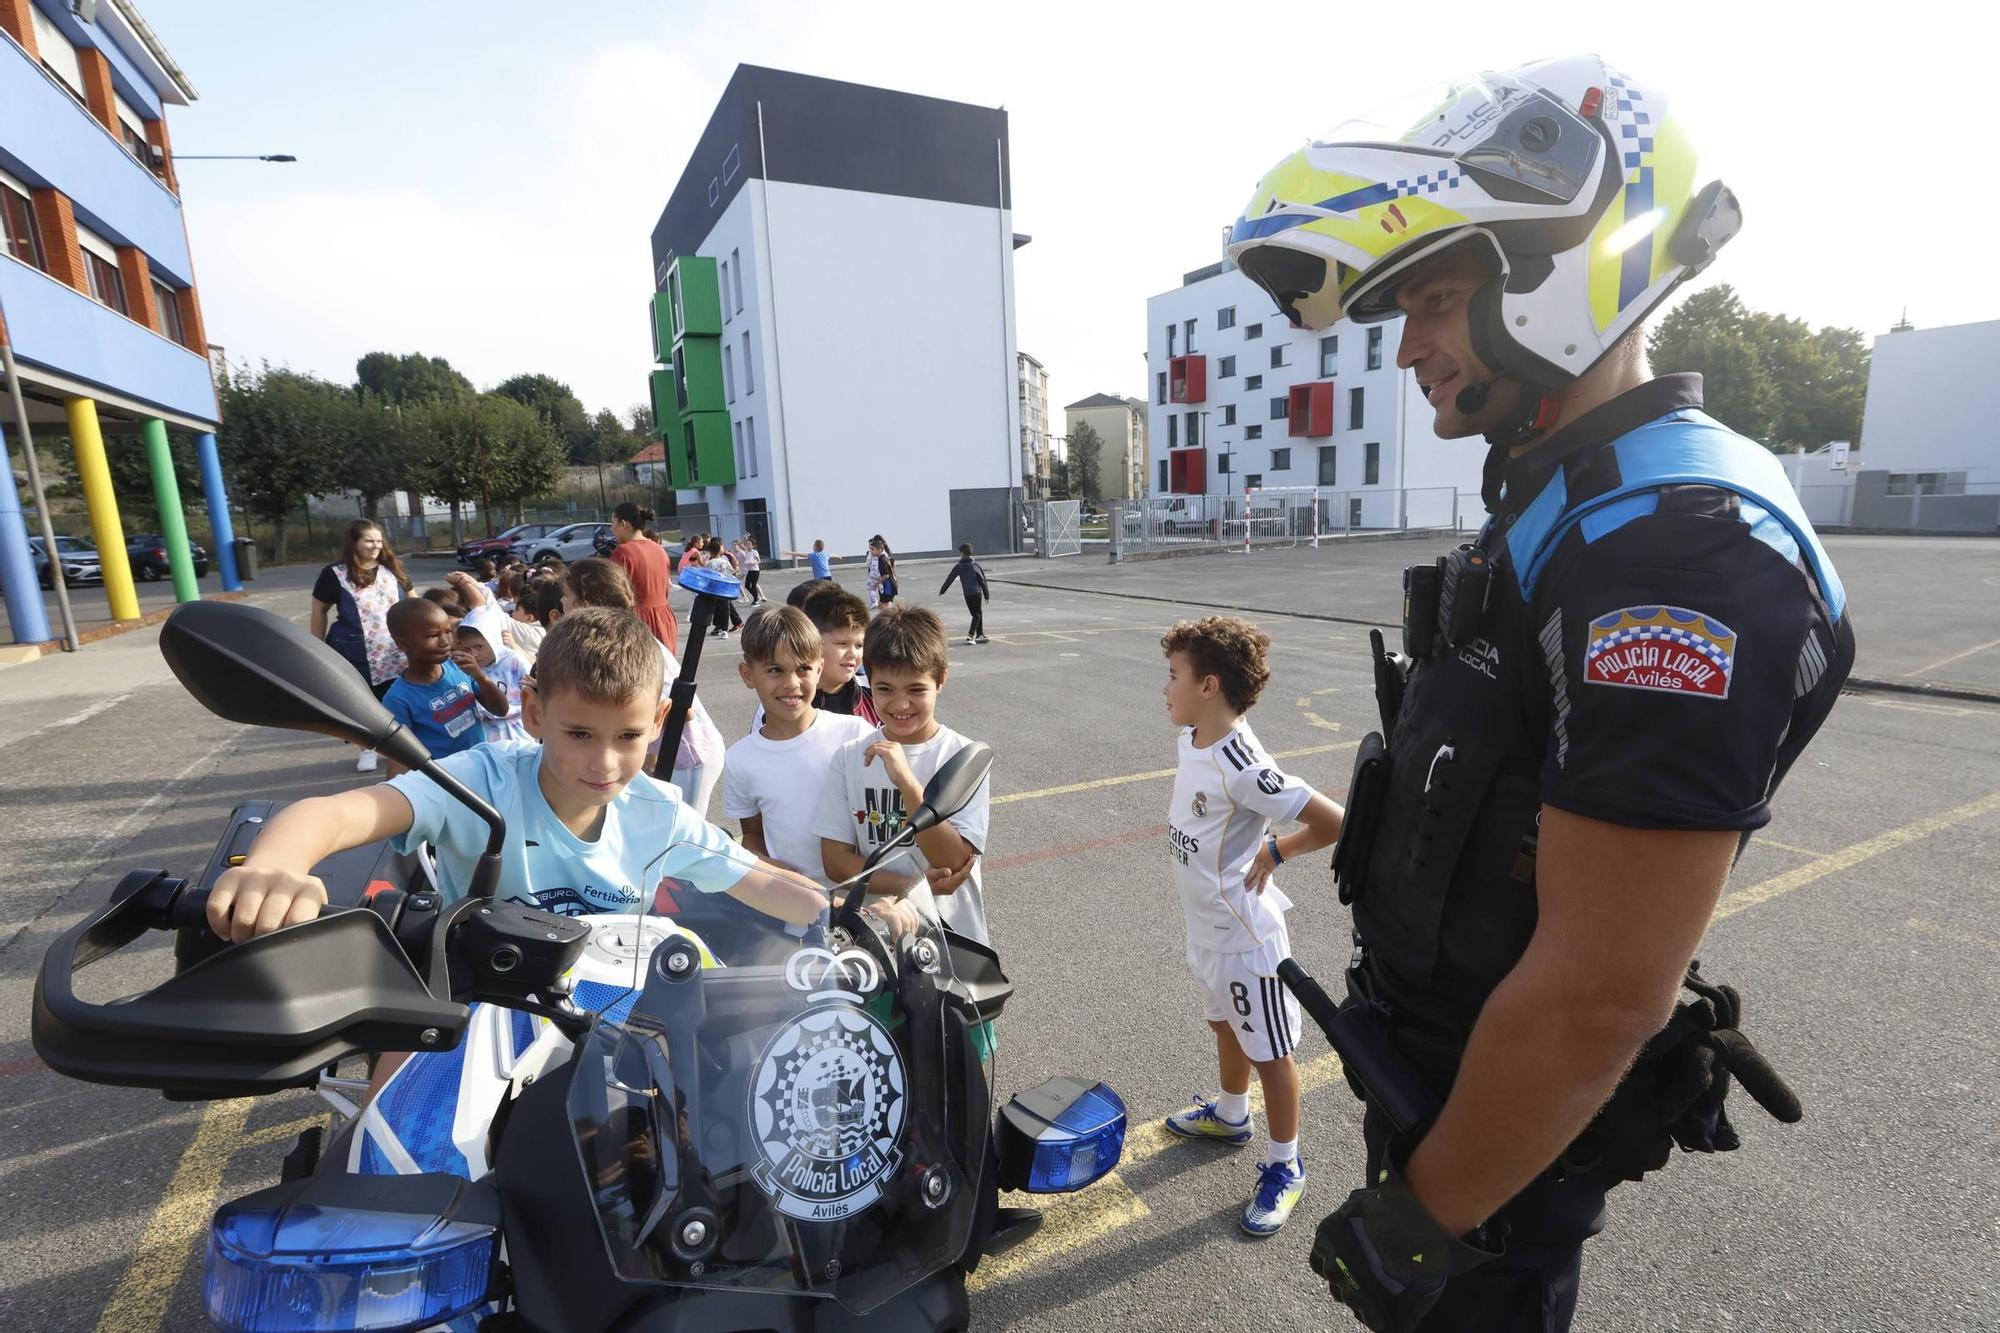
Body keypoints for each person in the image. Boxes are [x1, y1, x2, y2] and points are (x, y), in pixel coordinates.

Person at [1224, 56, 1854, 1330]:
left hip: (1490, 1164)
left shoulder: (1674, 547)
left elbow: (1596, 990)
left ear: (1562, 274)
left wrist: (1417, 1224)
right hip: (1442, 1083)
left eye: (1437, 299)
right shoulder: (1569, 490)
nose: (1407, 345)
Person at [202, 608, 830, 943]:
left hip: (616, 1032)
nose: (604, 762)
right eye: (579, 734)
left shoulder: (660, 813)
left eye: (629, 737)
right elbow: (338, 813)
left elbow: (760, 880)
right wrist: (275, 866)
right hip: (479, 1015)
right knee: (394, 1107)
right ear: (533, 712)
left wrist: (848, 909)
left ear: (659, 722)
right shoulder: (479, 783)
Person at [1158, 617, 1345, 1237]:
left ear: (1208, 685)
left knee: (1272, 1052)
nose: (1166, 688)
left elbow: (1335, 823)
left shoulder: (1242, 763)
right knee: (1224, 1024)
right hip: (1205, 928)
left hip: (1246, 941)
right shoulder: (1193, 738)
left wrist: (1278, 851)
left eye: (1174, 676)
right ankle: (1232, 1115)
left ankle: (1286, 1164)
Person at [813, 606, 987, 942]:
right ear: (869, 680)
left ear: (941, 681)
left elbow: (954, 862)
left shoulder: (962, 756)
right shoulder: (850, 757)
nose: (900, 704)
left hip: (954, 937)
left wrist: (907, 783)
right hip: (875, 933)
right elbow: (836, 862)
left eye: (916, 690)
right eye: (885, 689)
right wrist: (912, 883)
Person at [562, 557, 726, 816]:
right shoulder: (608, 643)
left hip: (691, 756)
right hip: (667, 752)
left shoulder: (628, 647)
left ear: (586, 602)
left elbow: (684, 709)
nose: (562, 602)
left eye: (567, 596)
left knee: (681, 835)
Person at [724, 607, 874, 888]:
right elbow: (753, 834)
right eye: (774, 670)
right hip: (797, 905)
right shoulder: (739, 759)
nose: (791, 684)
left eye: (803, 668)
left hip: (865, 900)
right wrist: (771, 869)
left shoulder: (855, 734)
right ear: (747, 674)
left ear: (819, 668)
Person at [310, 520, 413, 771]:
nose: (375, 545)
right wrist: (315, 646)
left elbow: (413, 600)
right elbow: (318, 610)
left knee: (397, 700)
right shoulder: (335, 574)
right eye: (369, 540)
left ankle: (401, 749)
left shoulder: (392, 569)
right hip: (354, 650)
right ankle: (367, 748)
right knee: (361, 701)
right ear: (354, 542)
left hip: (394, 651)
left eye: (379, 541)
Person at [379, 599, 507, 777]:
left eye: (448, 632)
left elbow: (501, 709)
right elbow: (400, 758)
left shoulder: (459, 667)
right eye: (433, 636)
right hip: (445, 781)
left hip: (480, 766)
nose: (445, 641)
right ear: (403, 644)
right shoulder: (398, 698)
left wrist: (481, 676)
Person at [798, 584, 880, 725]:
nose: (853, 653)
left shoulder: (876, 693)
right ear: (812, 643)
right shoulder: (785, 701)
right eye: (842, 644)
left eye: (859, 645)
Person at [608, 501, 680, 656]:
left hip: (637, 622)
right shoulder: (659, 550)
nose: (611, 528)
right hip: (664, 618)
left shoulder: (623, 552)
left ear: (623, 524)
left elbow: (613, 595)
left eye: (613, 522)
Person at [455, 618, 533, 745]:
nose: (474, 654)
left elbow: (533, 698)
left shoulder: (514, 661)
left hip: (520, 734)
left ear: (493, 640)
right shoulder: (468, 668)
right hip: (486, 739)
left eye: (478, 647)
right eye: (468, 649)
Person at [939, 544, 992, 645]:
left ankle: (980, 634)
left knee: (976, 614)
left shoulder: (958, 566)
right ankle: (971, 635)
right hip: (976, 593)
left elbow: (950, 578)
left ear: (962, 553)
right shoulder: (975, 565)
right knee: (977, 615)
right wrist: (986, 594)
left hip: (967, 595)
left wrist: (943, 590)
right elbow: (982, 580)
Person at [705, 536, 744, 638]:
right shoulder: (725, 561)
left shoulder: (709, 563)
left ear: (710, 551)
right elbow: (731, 572)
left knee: (719, 608)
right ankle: (724, 629)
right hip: (725, 588)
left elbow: (707, 575)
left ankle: (722, 628)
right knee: (725, 608)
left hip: (715, 589)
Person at [734, 535, 766, 605]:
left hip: (755, 571)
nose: (747, 545)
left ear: (753, 546)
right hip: (750, 571)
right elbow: (739, 544)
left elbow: (759, 561)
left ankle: (756, 600)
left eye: (749, 544)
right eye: (747, 544)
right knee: (747, 585)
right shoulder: (746, 551)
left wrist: (750, 562)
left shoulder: (755, 552)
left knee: (754, 585)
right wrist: (744, 538)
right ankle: (756, 597)